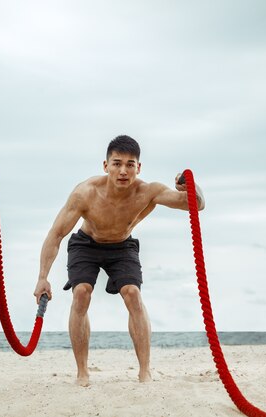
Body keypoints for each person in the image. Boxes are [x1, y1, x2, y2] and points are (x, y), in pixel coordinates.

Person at [33, 135, 205, 386]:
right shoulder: (85, 193)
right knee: (81, 292)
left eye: (130, 164)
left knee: (133, 294)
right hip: (86, 244)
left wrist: (191, 187)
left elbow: (196, 205)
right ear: (105, 166)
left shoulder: (149, 191)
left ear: (138, 167)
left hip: (122, 246)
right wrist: (42, 277)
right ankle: (82, 372)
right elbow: (57, 233)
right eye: (116, 163)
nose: (123, 170)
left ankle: (144, 371)